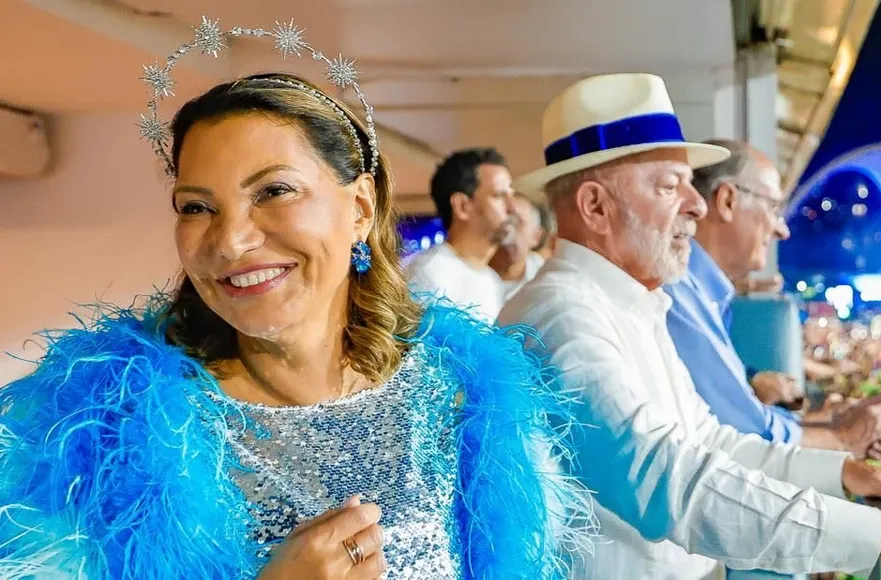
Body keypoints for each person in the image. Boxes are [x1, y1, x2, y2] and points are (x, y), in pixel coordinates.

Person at [0, 20, 583, 579]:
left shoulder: (465, 396)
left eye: (274, 191)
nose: (230, 241)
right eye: (196, 207)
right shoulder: (101, 438)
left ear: (359, 208)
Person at [499, 73, 881, 579]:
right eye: (668, 185)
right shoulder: (561, 317)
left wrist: (840, 472)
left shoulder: (630, 306)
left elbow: (709, 441)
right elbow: (668, 481)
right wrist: (879, 533)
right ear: (595, 206)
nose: (695, 205)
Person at [664, 139, 881, 459]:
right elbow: (744, 434)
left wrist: (833, 423)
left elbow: (740, 419)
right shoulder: (678, 292)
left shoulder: (707, 295)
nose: (782, 230)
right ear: (727, 200)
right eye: (773, 208)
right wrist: (844, 437)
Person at [404, 147, 516, 321]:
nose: (512, 208)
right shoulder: (429, 274)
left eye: (511, 195)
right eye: (500, 196)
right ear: (462, 206)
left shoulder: (492, 280)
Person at [489, 192, 547, 298]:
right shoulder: (466, 273)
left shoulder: (546, 280)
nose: (508, 230)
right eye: (504, 222)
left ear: (536, 237)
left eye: (516, 222)